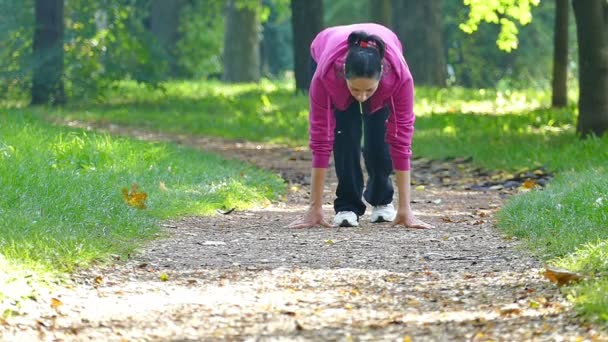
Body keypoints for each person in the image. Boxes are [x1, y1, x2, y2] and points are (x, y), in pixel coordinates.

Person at [287, 23, 434, 229]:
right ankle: (347, 206)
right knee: (344, 133)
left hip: (382, 62)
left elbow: (401, 139)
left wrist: (406, 209)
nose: (362, 96)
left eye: (368, 90)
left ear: (382, 74)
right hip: (326, 50)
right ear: (343, 73)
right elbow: (321, 138)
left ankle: (382, 199)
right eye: (355, 89)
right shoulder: (326, 76)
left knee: (379, 139)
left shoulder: (398, 77)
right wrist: (314, 208)